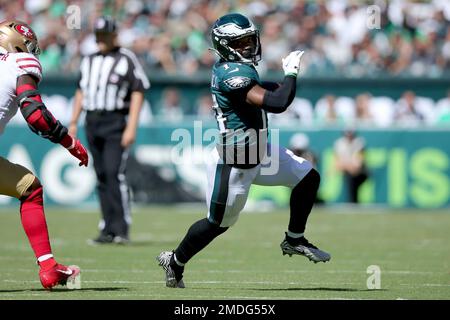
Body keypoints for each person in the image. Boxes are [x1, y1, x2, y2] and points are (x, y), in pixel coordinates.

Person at [157, 13, 330, 288]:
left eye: (250, 40)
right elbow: (277, 102)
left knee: (308, 177)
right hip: (234, 163)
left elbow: (271, 91)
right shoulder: (232, 73)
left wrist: (287, 82)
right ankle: (175, 261)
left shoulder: (240, 69)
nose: (249, 46)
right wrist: (291, 74)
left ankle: (294, 239)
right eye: (241, 42)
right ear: (225, 45)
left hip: (259, 153)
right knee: (218, 224)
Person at [0, 20, 88, 289]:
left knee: (30, 187)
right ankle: (48, 267)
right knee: (31, 191)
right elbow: (36, 115)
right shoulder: (20, 62)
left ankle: (50, 266)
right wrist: (70, 142)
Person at [69, 17, 150, 245]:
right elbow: (80, 92)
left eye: (105, 35)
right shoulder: (89, 61)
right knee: (102, 175)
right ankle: (107, 228)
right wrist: (74, 121)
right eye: (98, 35)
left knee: (115, 173)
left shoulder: (126, 59)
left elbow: (138, 91)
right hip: (92, 121)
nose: (101, 40)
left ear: (114, 36)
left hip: (115, 122)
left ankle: (121, 229)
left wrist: (131, 126)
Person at [334, 129, 368, 203]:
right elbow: (337, 163)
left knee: (353, 180)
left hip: (360, 171)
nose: (349, 137)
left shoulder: (359, 143)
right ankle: (353, 202)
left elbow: (358, 163)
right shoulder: (339, 143)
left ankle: (353, 202)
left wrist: (348, 166)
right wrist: (348, 166)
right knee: (350, 180)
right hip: (348, 170)